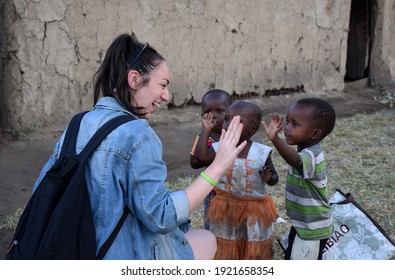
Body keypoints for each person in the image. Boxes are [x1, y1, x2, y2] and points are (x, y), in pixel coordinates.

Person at [32, 33, 247, 260]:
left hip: (70, 250)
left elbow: (43, 191)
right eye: (162, 85)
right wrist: (218, 166)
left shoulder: (78, 124)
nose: (167, 96)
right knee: (206, 239)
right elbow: (161, 216)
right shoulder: (138, 134)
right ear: (134, 79)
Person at [195, 100, 280, 259]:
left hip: (254, 209)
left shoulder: (262, 152)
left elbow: (274, 178)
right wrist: (205, 130)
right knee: (225, 240)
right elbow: (200, 158)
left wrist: (269, 176)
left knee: (252, 241)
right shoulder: (221, 146)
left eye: (235, 122)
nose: (227, 124)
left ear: (252, 129)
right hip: (225, 208)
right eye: (227, 119)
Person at [261, 97, 336, 260]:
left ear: (315, 133)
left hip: (313, 229)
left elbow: (295, 160)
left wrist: (275, 139)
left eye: (294, 124)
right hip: (303, 224)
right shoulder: (304, 151)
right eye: (287, 121)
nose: (287, 128)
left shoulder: (312, 155)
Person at [189, 89, 232, 229]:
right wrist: (207, 134)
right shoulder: (204, 136)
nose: (214, 116)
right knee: (213, 225)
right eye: (208, 112)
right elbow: (194, 162)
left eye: (220, 111)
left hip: (235, 191)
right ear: (202, 115)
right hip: (213, 192)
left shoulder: (234, 134)